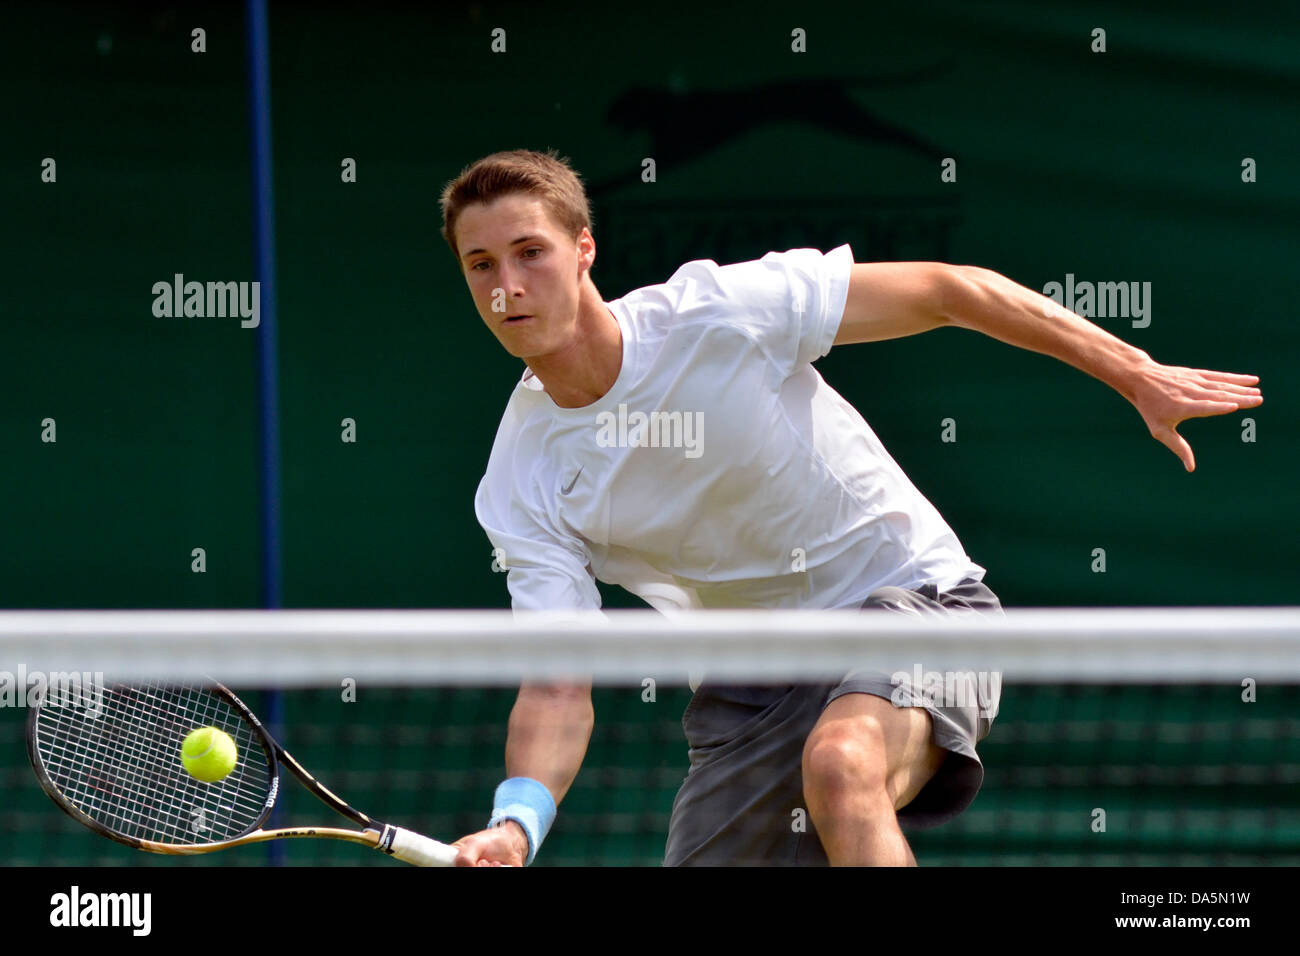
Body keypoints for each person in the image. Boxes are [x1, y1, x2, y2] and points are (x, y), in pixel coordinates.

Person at [439, 148, 1263, 866]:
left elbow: (949, 289)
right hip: (751, 684)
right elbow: (557, 685)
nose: (508, 287)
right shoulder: (521, 477)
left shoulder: (721, 313)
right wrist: (515, 825)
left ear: (584, 249)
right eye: (482, 265)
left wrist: (1135, 372)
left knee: (842, 765)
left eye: (529, 252)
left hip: (910, 602)